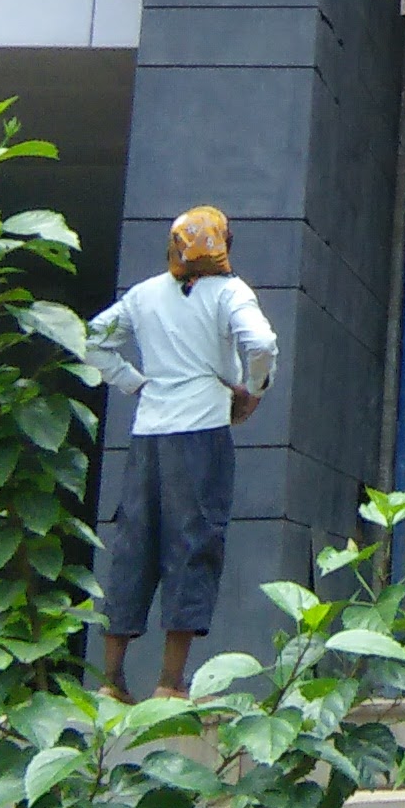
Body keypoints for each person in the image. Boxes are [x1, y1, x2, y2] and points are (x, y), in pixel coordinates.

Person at [88, 206, 279, 698]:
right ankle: (169, 684)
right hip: (202, 435)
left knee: (134, 545)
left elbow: (92, 340)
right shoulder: (230, 292)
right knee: (192, 546)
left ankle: (111, 680)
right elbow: (260, 342)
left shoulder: (145, 294)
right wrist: (252, 391)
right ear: (224, 244)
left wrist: (133, 383)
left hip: (148, 434)